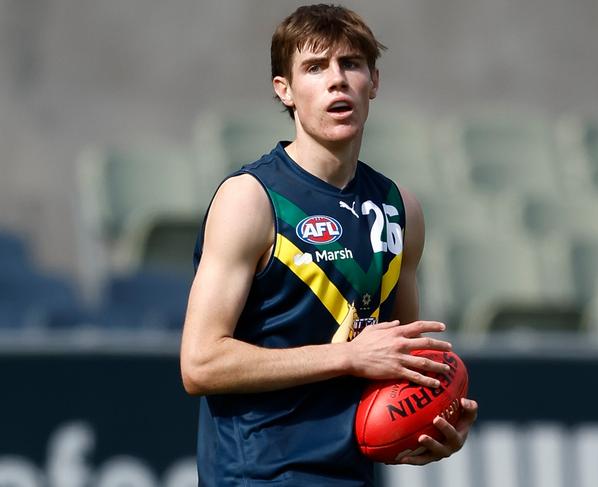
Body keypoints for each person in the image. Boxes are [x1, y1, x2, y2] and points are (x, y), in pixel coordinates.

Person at [180, 4, 478, 486]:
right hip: (258, 476)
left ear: (373, 82)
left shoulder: (400, 208)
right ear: (286, 90)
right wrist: (348, 356)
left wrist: (433, 421)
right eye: (315, 68)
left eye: (351, 64)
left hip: (353, 476)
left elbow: (399, 364)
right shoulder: (251, 200)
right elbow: (200, 363)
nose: (336, 81)